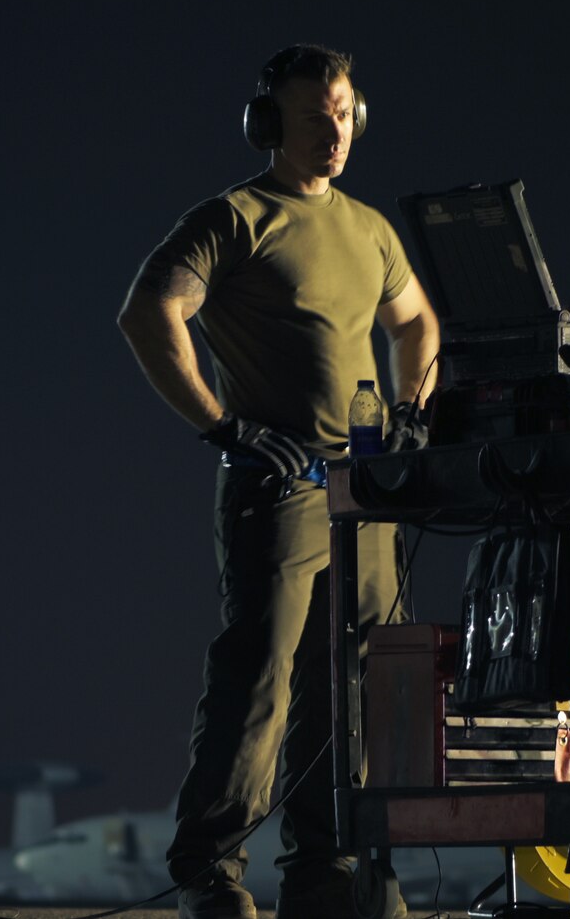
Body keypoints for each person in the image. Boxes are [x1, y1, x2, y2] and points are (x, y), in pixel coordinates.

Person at [116, 45, 440, 919]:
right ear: (270, 128)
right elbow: (149, 311)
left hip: (366, 489)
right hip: (283, 484)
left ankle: (325, 868)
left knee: (356, 680)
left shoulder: (371, 228)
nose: (333, 131)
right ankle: (209, 871)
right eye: (312, 118)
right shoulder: (235, 217)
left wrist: (409, 414)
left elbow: (417, 323)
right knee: (260, 676)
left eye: (343, 113)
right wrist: (221, 424)